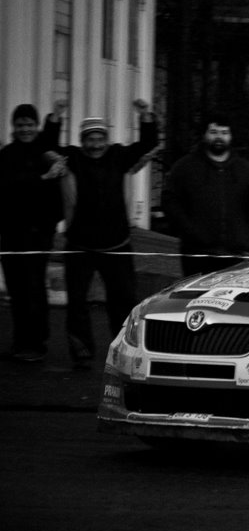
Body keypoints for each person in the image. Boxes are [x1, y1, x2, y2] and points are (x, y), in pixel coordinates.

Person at [47, 100, 159, 370]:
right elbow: (48, 147)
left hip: (117, 244)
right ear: (82, 140)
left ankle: (124, 350)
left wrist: (146, 117)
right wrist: (55, 118)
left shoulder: (119, 155)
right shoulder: (72, 157)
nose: (95, 144)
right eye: (90, 139)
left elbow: (147, 145)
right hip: (79, 245)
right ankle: (82, 352)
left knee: (123, 301)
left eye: (100, 139)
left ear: (106, 139)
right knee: (77, 303)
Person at [0, 101, 65, 362]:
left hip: (38, 232)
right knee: (16, 287)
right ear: (13, 127)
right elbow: (8, 186)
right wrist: (41, 179)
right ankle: (20, 341)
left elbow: (51, 139)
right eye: (20, 125)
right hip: (11, 231)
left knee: (34, 285)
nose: (24, 129)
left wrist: (56, 116)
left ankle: (37, 342)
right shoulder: (7, 155)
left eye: (29, 124)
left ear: (36, 125)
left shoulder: (44, 152)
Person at [162, 114, 249, 277]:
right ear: (204, 135)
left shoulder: (246, 170)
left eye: (224, 132)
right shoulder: (185, 167)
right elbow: (170, 203)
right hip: (196, 253)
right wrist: (191, 232)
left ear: (231, 136)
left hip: (236, 254)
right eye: (213, 132)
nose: (219, 137)